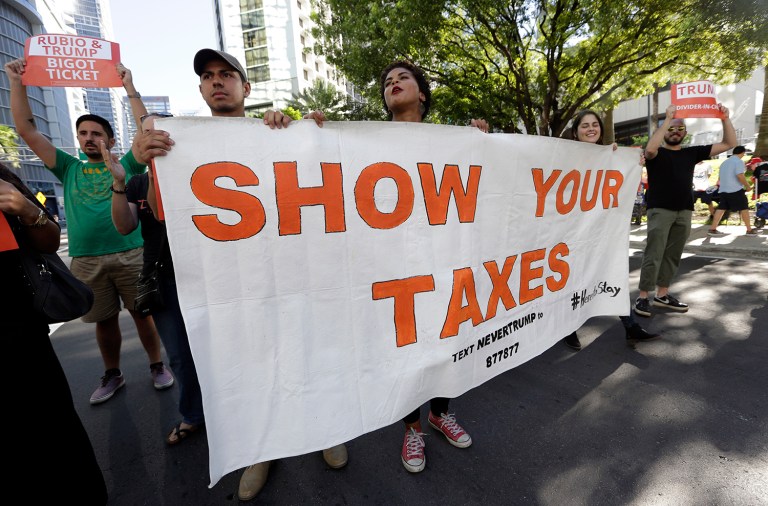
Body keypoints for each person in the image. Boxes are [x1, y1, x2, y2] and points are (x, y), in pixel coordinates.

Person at [131, 48, 348, 502]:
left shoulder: (274, 130)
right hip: (227, 283)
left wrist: (310, 135)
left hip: (287, 272)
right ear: (201, 89)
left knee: (305, 348)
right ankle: (261, 449)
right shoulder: (176, 142)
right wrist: (146, 163)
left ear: (245, 88)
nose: (217, 81)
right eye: (208, 76)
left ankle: (323, 429)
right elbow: (160, 210)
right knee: (248, 365)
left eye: (227, 74)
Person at [4, 59, 174, 404]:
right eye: (83, 133)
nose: (89, 138)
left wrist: (129, 86)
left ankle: (157, 364)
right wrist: (17, 82)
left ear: (110, 139)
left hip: (130, 253)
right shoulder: (68, 168)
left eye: (97, 133)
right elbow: (26, 129)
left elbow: (147, 134)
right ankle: (113, 373)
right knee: (103, 320)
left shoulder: (126, 164)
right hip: (85, 260)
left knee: (144, 315)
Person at [379, 60, 486, 473]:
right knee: (405, 348)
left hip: (444, 261)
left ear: (422, 93)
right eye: (388, 82)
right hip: (393, 267)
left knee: (445, 342)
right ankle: (412, 430)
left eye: (402, 78)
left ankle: (440, 413)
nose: (394, 84)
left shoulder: (452, 141)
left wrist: (481, 144)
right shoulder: (363, 141)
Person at [1, 162, 108, 504]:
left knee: (52, 424)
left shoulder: (5, 181)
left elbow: (48, 239)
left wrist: (26, 208)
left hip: (19, 332)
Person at [105, 112, 206, 445]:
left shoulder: (201, 173)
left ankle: (229, 409)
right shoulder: (135, 184)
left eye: (159, 131)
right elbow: (124, 226)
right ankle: (193, 414)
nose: (152, 138)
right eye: (144, 134)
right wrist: (119, 183)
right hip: (164, 280)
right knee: (178, 353)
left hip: (207, 275)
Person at [558, 110, 659, 351]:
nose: (591, 129)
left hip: (601, 233)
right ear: (576, 132)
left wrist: (631, 163)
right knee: (573, 281)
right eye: (585, 125)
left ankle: (630, 326)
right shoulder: (563, 157)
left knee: (612, 275)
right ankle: (568, 329)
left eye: (595, 124)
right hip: (572, 233)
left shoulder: (612, 156)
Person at [634, 104, 736, 317]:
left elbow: (729, 143)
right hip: (660, 210)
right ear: (664, 132)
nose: (675, 132)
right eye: (671, 128)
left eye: (680, 128)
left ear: (685, 134)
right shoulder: (656, 153)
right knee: (654, 253)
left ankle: (662, 294)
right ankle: (643, 297)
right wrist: (668, 119)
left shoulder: (692, 153)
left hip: (684, 210)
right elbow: (650, 149)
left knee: (673, 254)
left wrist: (725, 118)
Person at [707, 146, 759, 236]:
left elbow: (720, 178)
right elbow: (740, 175)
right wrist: (747, 186)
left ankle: (713, 229)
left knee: (721, 208)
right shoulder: (738, 162)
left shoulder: (724, 162)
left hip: (723, 190)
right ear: (742, 153)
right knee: (744, 208)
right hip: (735, 190)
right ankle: (749, 230)